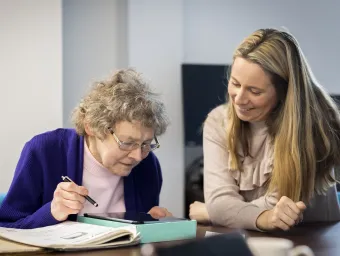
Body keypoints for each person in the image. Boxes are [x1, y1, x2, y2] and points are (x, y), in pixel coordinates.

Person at [189, 28, 340, 231]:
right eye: (235, 83)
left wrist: (214, 212)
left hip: (313, 237)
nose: (239, 99)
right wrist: (221, 210)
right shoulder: (218, 121)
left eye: (254, 91)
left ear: (284, 93)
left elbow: (277, 205)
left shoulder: (312, 125)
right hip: (254, 237)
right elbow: (221, 202)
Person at [0, 68, 172, 229]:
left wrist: (153, 226)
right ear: (91, 127)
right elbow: (7, 226)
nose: (138, 156)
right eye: (127, 143)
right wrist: (50, 213)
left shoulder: (148, 165)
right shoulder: (44, 151)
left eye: (146, 144)